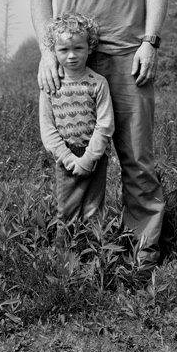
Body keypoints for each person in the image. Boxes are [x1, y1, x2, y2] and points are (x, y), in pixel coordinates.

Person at [26, 0, 168, 269]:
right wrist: (48, 51)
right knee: (76, 161)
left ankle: (140, 253)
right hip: (73, 61)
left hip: (129, 55)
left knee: (137, 159)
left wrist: (150, 41)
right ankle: (83, 254)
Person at [39, 12, 114, 223]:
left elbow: (105, 124)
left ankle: (94, 253)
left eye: (78, 48)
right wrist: (69, 158)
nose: (71, 55)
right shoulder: (50, 85)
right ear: (54, 51)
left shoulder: (98, 83)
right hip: (66, 157)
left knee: (93, 210)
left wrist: (90, 157)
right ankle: (65, 254)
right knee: (67, 211)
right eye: (63, 50)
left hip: (96, 156)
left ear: (89, 48)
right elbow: (48, 129)